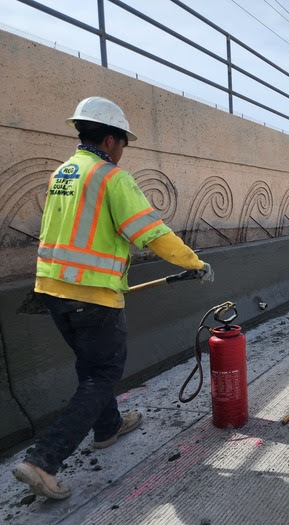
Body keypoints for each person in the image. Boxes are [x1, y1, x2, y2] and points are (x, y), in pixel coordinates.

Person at [11, 97, 214, 500]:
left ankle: (107, 428)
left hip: (52, 290)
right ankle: (43, 459)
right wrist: (195, 262)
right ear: (110, 140)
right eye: (123, 143)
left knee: (91, 367)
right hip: (92, 296)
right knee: (103, 373)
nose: (123, 151)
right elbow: (151, 233)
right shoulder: (111, 177)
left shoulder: (62, 174)